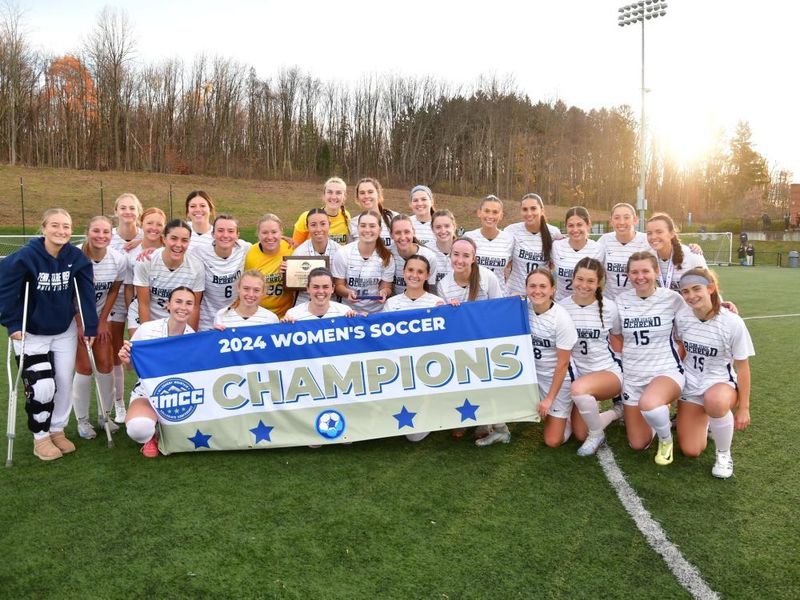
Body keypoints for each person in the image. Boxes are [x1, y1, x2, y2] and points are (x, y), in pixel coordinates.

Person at [0, 208, 98, 461]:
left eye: (66, 226)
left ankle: (57, 429)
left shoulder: (76, 258)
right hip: (30, 331)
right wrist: (12, 324)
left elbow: (85, 294)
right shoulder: (25, 257)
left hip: (63, 329)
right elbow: (6, 290)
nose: (61, 231)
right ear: (44, 228)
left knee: (64, 382)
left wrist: (90, 326)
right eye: (55, 225)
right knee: (42, 385)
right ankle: (40, 435)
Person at [675, 268, 754, 478]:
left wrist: (744, 408)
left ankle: (723, 453)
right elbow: (681, 350)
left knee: (715, 401)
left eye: (696, 289)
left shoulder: (732, 322)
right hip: (691, 385)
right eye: (685, 291)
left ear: (710, 288)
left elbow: (743, 368)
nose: (691, 296)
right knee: (691, 450)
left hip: (719, 384)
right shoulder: (682, 317)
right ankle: (708, 420)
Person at [617, 251, 691, 465]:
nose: (640, 276)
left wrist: (723, 304)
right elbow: (616, 336)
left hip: (665, 371)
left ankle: (666, 440)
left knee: (649, 402)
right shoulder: (620, 302)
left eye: (646, 271)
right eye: (634, 272)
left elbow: (696, 315)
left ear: (656, 271)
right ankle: (658, 413)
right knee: (637, 444)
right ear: (628, 275)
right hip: (633, 377)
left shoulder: (672, 299)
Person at [436, 237, 506, 445]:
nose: (460, 259)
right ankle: (462, 417)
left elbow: (498, 309)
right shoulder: (444, 284)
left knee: (484, 380)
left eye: (466, 256)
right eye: (456, 254)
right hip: (458, 342)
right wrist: (449, 310)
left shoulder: (487, 278)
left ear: (474, 258)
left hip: (484, 339)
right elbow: (445, 321)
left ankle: (486, 422)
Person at [118, 286, 197, 458]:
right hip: (147, 393)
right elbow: (131, 366)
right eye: (178, 301)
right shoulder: (146, 330)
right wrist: (126, 359)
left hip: (178, 397)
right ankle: (150, 435)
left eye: (189, 303)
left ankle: (164, 427)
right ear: (168, 304)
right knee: (138, 429)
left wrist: (219, 335)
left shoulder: (193, 338)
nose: (183, 307)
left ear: (193, 308)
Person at [559, 258, 624, 456]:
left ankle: (597, 435)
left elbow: (618, 339)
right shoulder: (561, 308)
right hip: (579, 375)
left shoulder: (610, 308)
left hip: (606, 372)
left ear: (598, 283)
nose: (584, 285)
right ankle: (617, 412)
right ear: (573, 278)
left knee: (578, 389)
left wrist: (627, 373)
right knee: (580, 434)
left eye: (590, 281)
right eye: (580, 279)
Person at [72, 216, 127, 440]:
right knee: (85, 367)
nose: (101, 236)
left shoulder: (118, 259)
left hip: (100, 317)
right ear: (87, 232)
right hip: (74, 317)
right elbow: (69, 294)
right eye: (96, 231)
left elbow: (113, 290)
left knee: (105, 364)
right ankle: (82, 421)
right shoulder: (74, 256)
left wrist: (102, 321)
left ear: (111, 235)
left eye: (106, 232)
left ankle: (105, 415)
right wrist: (80, 324)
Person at [526, 268, 579, 449]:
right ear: (526, 288)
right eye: (532, 286)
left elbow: (563, 364)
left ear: (552, 289)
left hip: (556, 379)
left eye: (543, 286)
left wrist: (549, 399)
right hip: (533, 378)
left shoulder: (561, 318)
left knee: (553, 440)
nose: (537, 291)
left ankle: (573, 413)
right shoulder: (522, 308)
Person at [132, 219, 205, 334]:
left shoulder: (196, 267)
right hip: (149, 315)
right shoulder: (146, 262)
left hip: (178, 317)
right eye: (174, 238)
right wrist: (146, 335)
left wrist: (190, 338)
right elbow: (143, 304)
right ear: (164, 239)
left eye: (184, 240)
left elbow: (194, 307)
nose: (178, 245)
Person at [108, 193, 144, 422]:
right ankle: (118, 403)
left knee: (139, 352)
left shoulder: (147, 234)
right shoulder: (108, 236)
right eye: (123, 207)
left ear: (138, 211)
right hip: (112, 299)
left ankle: (144, 395)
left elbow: (164, 236)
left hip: (139, 301)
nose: (128, 211)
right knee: (114, 352)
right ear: (116, 211)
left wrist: (143, 241)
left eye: (132, 207)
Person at [193, 214, 251, 331]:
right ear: (213, 234)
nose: (225, 235)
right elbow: (177, 253)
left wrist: (286, 240)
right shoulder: (199, 252)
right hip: (207, 321)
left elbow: (266, 246)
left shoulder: (245, 248)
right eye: (220, 231)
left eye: (230, 231)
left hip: (235, 319)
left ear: (237, 235)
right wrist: (150, 250)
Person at [333, 210, 395, 314]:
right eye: (363, 226)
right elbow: (338, 286)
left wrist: (384, 292)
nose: (367, 230)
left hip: (377, 312)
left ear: (379, 230)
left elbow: (387, 286)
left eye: (372, 226)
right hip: (349, 313)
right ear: (357, 228)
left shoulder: (387, 256)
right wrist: (347, 292)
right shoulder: (343, 253)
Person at [505, 193, 561, 297]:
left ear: (542, 210)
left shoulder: (553, 232)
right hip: (515, 294)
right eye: (525, 209)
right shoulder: (511, 230)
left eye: (533, 208)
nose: (529, 213)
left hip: (539, 295)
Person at [244, 213, 295, 319]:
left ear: (281, 232)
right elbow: (248, 288)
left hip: (286, 316)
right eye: (265, 233)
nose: (270, 237)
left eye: (274, 232)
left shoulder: (291, 248)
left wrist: (289, 276)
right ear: (258, 234)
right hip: (259, 316)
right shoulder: (251, 254)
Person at [596, 202, 650, 300]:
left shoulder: (646, 241)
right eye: (616, 218)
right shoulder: (604, 240)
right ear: (611, 221)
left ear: (635, 220)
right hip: (611, 301)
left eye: (626, 217)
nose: (621, 222)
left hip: (639, 302)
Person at [465, 195, 514, 295]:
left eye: (495, 212)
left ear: (501, 215)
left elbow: (509, 267)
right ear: (479, 213)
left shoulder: (508, 239)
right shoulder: (469, 237)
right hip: (474, 296)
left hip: (499, 296)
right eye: (486, 211)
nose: (490, 216)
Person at [551, 207, 602, 301]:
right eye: (570, 225)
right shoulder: (556, 246)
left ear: (588, 225)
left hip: (588, 304)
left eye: (579, 225)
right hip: (562, 304)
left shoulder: (598, 248)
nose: (575, 229)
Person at [291, 208, 341, 305]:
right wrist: (287, 272)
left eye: (323, 224)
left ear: (329, 224)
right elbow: (293, 287)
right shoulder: (299, 253)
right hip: (304, 302)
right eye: (313, 225)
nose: (318, 229)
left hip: (332, 303)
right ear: (307, 227)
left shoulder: (340, 251)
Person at [646, 213, 707, 291]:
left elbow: (709, 287)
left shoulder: (692, 255)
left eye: (659, 232)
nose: (653, 237)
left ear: (672, 234)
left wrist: (721, 303)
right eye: (649, 233)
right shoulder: (647, 257)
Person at [292, 177, 351, 246]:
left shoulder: (346, 216)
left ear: (344, 197)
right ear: (323, 196)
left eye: (338, 193)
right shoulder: (307, 217)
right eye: (330, 192)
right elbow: (294, 247)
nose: (334, 197)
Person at [389, 214, 439, 295]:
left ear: (414, 232)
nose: (403, 237)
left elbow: (431, 288)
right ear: (391, 235)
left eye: (407, 232)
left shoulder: (429, 257)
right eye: (398, 233)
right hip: (395, 305)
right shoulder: (388, 255)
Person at [284, 268, 357, 321]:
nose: (321, 291)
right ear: (308, 288)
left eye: (325, 287)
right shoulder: (293, 315)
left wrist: (359, 319)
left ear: (332, 289)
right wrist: (286, 328)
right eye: (316, 287)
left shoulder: (344, 312)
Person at [214, 270, 279, 328]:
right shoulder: (221, 315)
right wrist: (216, 334)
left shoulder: (271, 319)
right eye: (246, 288)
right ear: (238, 288)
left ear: (263, 292)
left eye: (256, 290)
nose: (251, 294)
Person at [348, 178, 398, 248]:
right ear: (357, 197)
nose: (366, 196)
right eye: (362, 193)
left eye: (370, 192)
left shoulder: (394, 218)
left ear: (378, 194)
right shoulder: (353, 223)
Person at [430, 209, 457, 285]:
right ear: (432, 229)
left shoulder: (463, 249)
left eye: (447, 226)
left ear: (454, 227)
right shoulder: (426, 251)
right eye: (438, 227)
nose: (443, 230)